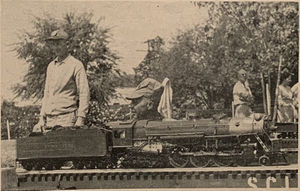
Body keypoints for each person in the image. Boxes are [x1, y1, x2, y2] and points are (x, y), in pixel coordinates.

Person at [33, 29, 90, 132]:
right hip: (50, 120)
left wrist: (81, 118)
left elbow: (84, 92)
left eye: (59, 43)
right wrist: (41, 118)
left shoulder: (76, 65)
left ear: (67, 44)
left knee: (66, 148)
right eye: (53, 44)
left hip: (66, 119)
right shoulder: (51, 66)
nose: (56, 47)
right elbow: (47, 93)